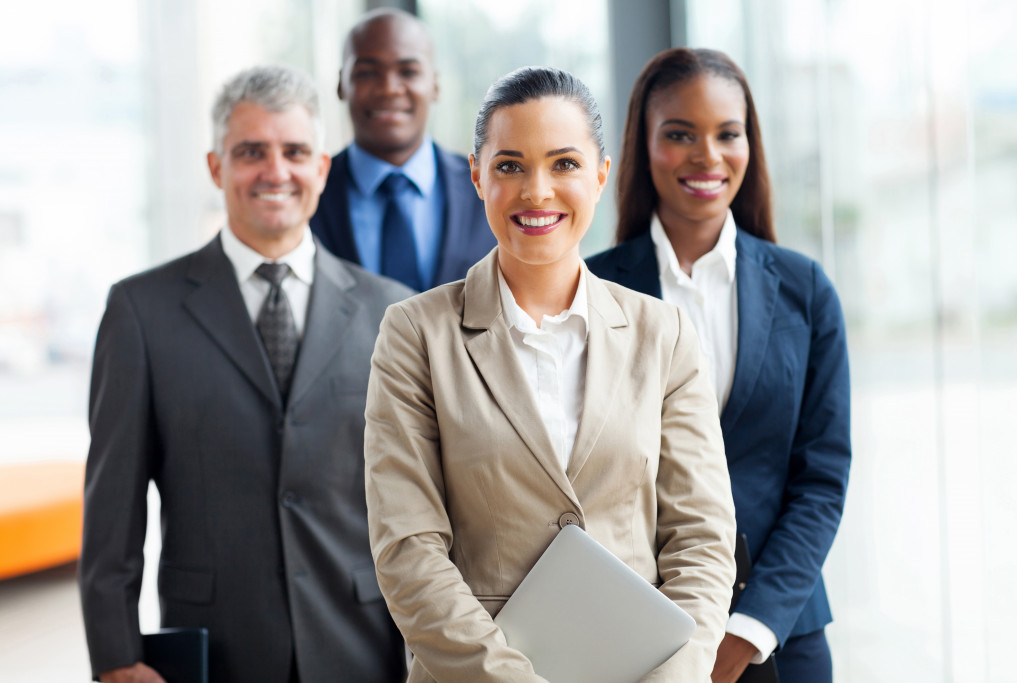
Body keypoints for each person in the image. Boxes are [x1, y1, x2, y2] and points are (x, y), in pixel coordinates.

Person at [363, 66, 737, 682]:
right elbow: (408, 551)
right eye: (509, 165)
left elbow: (702, 540)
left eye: (563, 164)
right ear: (477, 176)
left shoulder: (663, 334)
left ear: (601, 175)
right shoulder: (415, 336)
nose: (537, 191)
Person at [79, 65, 411, 683]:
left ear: (322, 169)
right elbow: (111, 505)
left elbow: (422, 504)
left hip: (365, 645)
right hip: (216, 647)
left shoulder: (393, 310)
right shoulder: (140, 311)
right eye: (251, 152)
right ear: (216, 168)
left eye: (295, 152)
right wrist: (116, 654)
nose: (275, 172)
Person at [586, 48, 852, 683]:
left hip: (780, 634)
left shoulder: (804, 290)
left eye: (727, 134)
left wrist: (749, 627)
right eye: (679, 134)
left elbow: (822, 476)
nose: (707, 155)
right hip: (642, 635)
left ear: (749, 145)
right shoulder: (590, 290)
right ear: (643, 147)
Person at [310, 8, 495, 291]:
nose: (389, 89)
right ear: (340, 85)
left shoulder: (489, 188)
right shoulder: (308, 194)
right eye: (368, 72)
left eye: (408, 71)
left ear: (435, 84)